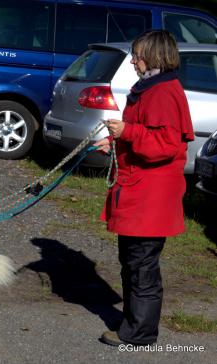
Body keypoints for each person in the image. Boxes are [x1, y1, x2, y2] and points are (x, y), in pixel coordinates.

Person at [94, 30, 194, 346]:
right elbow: (142, 133)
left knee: (142, 268)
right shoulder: (151, 88)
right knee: (133, 263)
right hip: (140, 191)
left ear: (153, 57)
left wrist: (127, 131)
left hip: (152, 195)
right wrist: (114, 140)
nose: (134, 61)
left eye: (137, 55)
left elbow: (165, 144)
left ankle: (140, 333)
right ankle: (134, 325)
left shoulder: (163, 92)